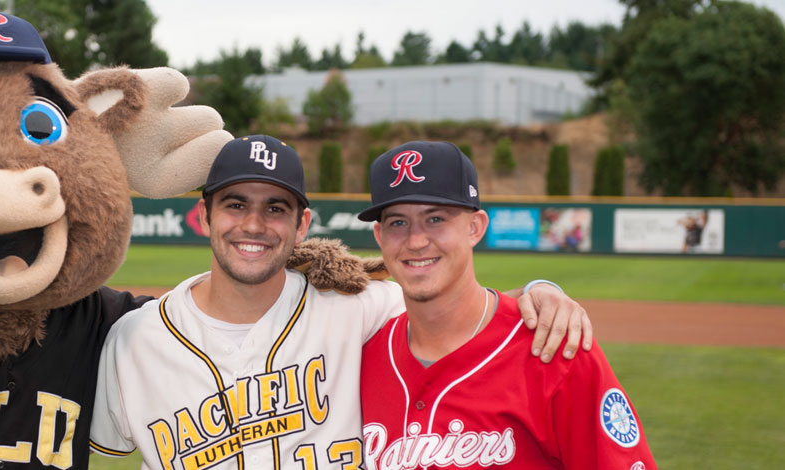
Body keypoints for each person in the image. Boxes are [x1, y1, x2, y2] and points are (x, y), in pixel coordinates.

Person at [89, 135, 593, 470]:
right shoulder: (136, 340)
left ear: (303, 224)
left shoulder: (361, 308)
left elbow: (450, 305)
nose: (254, 225)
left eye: (276, 208)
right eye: (236, 204)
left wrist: (538, 293)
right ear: (204, 215)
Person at [359, 141, 656, 469]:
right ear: (379, 236)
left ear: (475, 227)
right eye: (398, 223)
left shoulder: (555, 347)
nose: (416, 241)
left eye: (436, 219)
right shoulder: (361, 355)